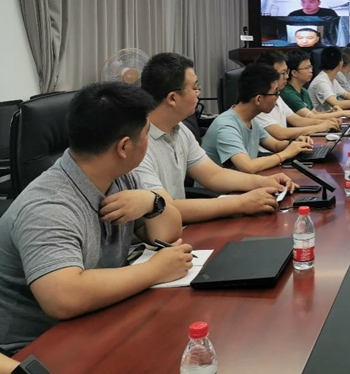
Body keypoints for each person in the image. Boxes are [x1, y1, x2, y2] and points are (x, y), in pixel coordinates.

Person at [0, 83, 190, 354]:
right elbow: (63, 297)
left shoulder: (120, 176)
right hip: (35, 349)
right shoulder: (48, 206)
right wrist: (155, 270)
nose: (149, 140)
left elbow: (167, 233)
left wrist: (152, 201)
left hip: (98, 320)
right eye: (147, 133)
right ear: (124, 147)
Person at [135, 53, 297, 224]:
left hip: (179, 229)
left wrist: (265, 182)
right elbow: (165, 209)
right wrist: (240, 203)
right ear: (173, 98)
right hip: (159, 236)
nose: (198, 93)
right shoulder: (137, 144)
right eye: (195, 88)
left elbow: (213, 175)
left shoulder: (179, 129)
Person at [202, 64, 314, 173]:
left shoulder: (251, 120)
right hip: (224, 186)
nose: (277, 98)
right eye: (275, 93)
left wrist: (295, 144)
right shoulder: (226, 126)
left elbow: (275, 145)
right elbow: (248, 166)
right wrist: (286, 154)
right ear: (258, 99)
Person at [254, 51, 341, 138]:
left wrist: (326, 123)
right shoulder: (260, 101)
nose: (287, 76)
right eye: (283, 73)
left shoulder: (278, 96)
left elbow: (297, 120)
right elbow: (280, 133)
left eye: (286, 72)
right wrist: (319, 127)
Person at [280, 50, 350, 121]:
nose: (311, 70)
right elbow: (311, 117)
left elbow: (315, 113)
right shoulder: (288, 93)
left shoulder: (303, 91)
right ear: (294, 73)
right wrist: (342, 113)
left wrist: (330, 112)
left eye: (311, 67)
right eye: (307, 68)